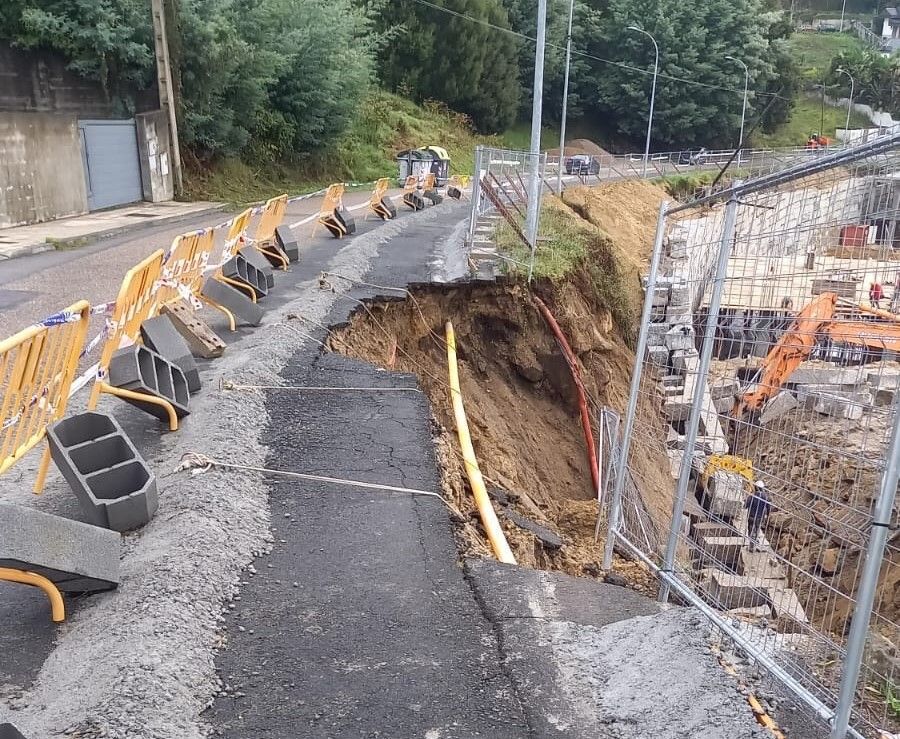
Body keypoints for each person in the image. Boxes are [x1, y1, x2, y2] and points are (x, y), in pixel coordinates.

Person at [745, 480, 772, 552]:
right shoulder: (765, 497)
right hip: (760, 517)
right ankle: (756, 545)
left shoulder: (752, 496)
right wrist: (768, 515)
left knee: (751, 531)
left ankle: (751, 547)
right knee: (757, 531)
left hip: (751, 516)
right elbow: (768, 507)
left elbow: (745, 506)